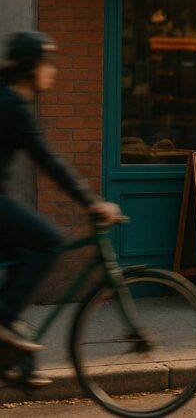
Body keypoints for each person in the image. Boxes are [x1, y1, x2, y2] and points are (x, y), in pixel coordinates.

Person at [0, 32, 121, 375]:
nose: (52, 70)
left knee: (24, 254)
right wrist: (92, 202)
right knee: (51, 241)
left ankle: (17, 360)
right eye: (47, 62)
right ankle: (5, 323)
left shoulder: (10, 100)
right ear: (30, 68)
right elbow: (48, 161)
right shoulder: (12, 105)